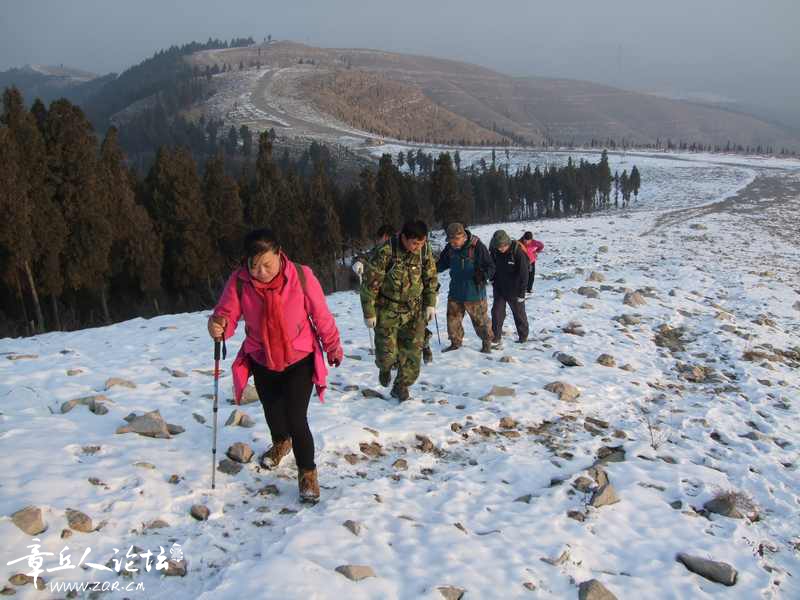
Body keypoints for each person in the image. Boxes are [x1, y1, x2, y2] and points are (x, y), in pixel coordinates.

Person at [208, 228, 343, 503]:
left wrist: (332, 347)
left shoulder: (301, 276)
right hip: (262, 359)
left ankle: (307, 473)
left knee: (296, 417)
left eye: (267, 264)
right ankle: (281, 443)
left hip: (298, 359)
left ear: (279, 254)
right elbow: (226, 315)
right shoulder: (239, 282)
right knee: (272, 410)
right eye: (254, 265)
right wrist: (218, 325)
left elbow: (321, 315)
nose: (260, 271)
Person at [360, 220, 438, 401]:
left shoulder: (424, 251)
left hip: (414, 310)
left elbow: (431, 278)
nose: (418, 246)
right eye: (414, 243)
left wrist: (430, 303)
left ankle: (401, 386)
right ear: (403, 237)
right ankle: (385, 368)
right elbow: (369, 286)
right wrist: (369, 312)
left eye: (421, 242)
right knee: (386, 356)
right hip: (388, 310)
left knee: (412, 356)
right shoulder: (386, 252)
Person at [354, 225, 434, 364]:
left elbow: (429, 272)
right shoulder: (385, 249)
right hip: (390, 303)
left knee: (415, 331)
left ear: (385, 237)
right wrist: (359, 261)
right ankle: (396, 361)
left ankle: (422, 348)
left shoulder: (407, 246)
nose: (379, 242)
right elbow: (370, 255)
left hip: (413, 300)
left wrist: (431, 299)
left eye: (380, 239)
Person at [436, 222, 495, 353]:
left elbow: (491, 266)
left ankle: (487, 343)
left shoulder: (477, 247)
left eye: (456, 240)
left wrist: (483, 275)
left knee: (481, 322)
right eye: (450, 240)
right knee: (452, 320)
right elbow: (441, 264)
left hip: (474, 293)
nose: (453, 243)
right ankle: (455, 343)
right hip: (455, 291)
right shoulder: (450, 249)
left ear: (463, 236)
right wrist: (430, 270)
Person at [489, 230, 530, 345]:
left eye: (503, 246)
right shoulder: (494, 251)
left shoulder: (517, 252)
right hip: (499, 288)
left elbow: (524, 274)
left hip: (515, 289)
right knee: (497, 312)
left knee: (519, 313)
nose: (501, 249)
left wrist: (522, 293)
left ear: (508, 243)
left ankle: (523, 336)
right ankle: (496, 336)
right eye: (499, 247)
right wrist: (491, 279)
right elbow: (491, 266)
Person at [519, 231, 544, 296]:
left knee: (531, 275)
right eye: (525, 240)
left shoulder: (535, 243)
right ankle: (522, 289)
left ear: (531, 239)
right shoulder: (519, 242)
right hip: (522, 262)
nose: (526, 242)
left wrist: (536, 251)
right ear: (523, 238)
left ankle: (529, 289)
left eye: (528, 240)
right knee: (523, 276)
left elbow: (541, 246)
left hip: (531, 262)